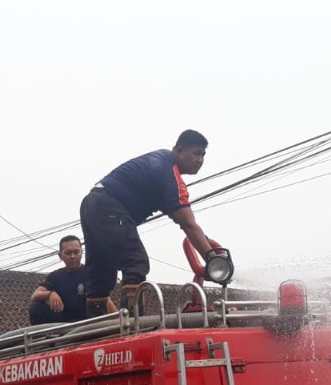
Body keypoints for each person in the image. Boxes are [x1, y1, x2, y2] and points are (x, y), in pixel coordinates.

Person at [80, 129, 229, 318]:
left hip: (92, 204)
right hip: (107, 205)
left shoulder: (159, 164)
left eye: (203, 155)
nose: (200, 160)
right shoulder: (168, 172)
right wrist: (213, 260)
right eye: (196, 153)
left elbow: (182, 219)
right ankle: (133, 324)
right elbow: (189, 224)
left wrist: (209, 253)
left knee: (101, 269)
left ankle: (95, 327)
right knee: (135, 262)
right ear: (178, 150)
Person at [28, 236, 115, 325]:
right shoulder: (55, 276)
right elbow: (35, 295)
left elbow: (106, 300)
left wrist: (117, 323)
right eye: (68, 253)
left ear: (82, 253)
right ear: (60, 256)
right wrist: (50, 294)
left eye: (76, 252)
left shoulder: (91, 274)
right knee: (37, 308)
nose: (73, 256)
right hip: (63, 325)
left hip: (88, 323)